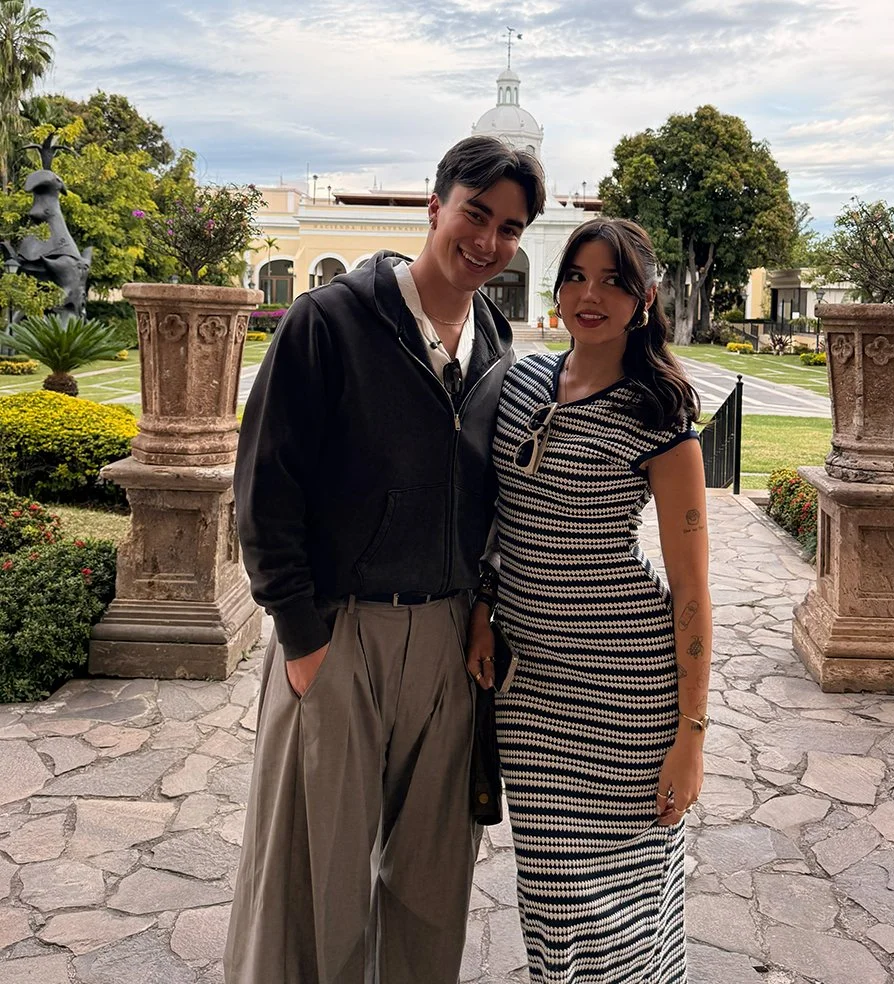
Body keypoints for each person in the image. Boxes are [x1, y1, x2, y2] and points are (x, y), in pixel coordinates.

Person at [225, 135, 546, 984]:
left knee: (432, 885)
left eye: (510, 228)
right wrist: (301, 636)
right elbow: (263, 486)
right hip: (338, 634)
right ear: (433, 208)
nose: (489, 241)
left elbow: (487, 498)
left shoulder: (494, 344)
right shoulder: (327, 322)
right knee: (309, 881)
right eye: (476, 214)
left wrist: (484, 601)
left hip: (445, 640)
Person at [468, 217, 711, 983]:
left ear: (645, 299)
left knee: (627, 902)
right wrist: (484, 604)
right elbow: (494, 515)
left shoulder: (660, 415)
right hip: (533, 690)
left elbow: (693, 592)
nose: (590, 294)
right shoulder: (521, 382)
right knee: (551, 893)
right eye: (576, 275)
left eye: (613, 280)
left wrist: (692, 735)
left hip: (627, 690)